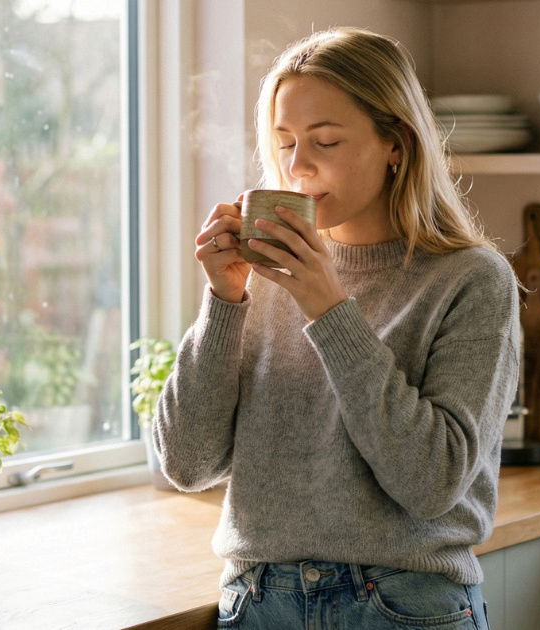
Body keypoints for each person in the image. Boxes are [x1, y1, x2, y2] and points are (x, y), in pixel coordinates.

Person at [152, 26, 519, 630]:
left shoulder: (471, 280)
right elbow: (187, 463)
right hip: (260, 604)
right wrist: (223, 300)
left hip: (404, 608)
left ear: (396, 144)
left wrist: (329, 307)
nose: (298, 165)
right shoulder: (262, 278)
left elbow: (430, 483)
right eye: (285, 141)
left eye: (324, 140)